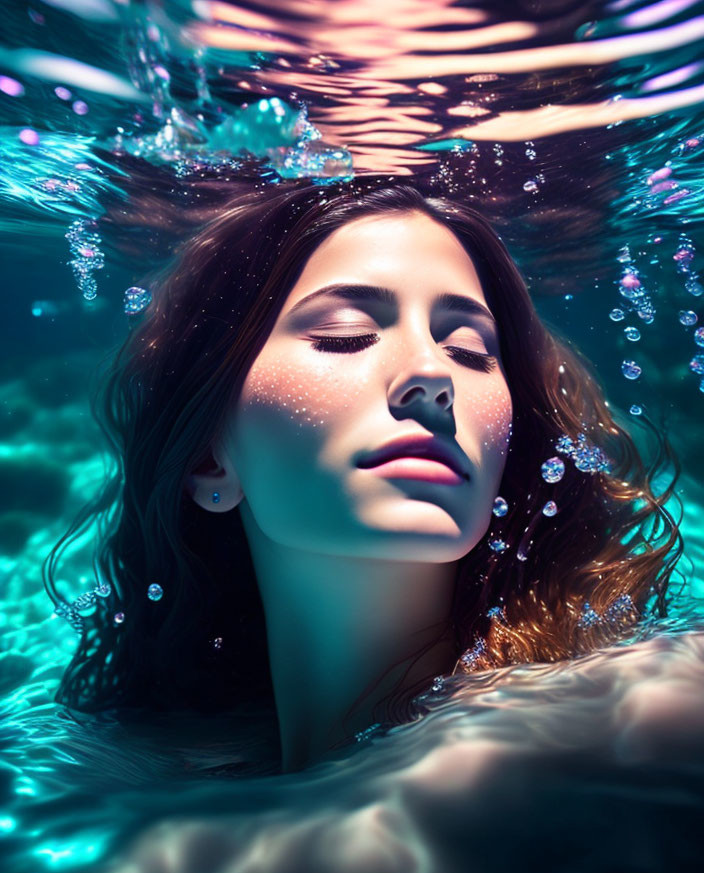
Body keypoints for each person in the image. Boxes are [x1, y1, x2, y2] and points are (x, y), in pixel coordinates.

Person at [44, 176, 682, 773]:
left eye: (470, 350)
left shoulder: (648, 713)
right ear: (209, 459)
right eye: (343, 336)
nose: (434, 375)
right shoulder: (140, 773)